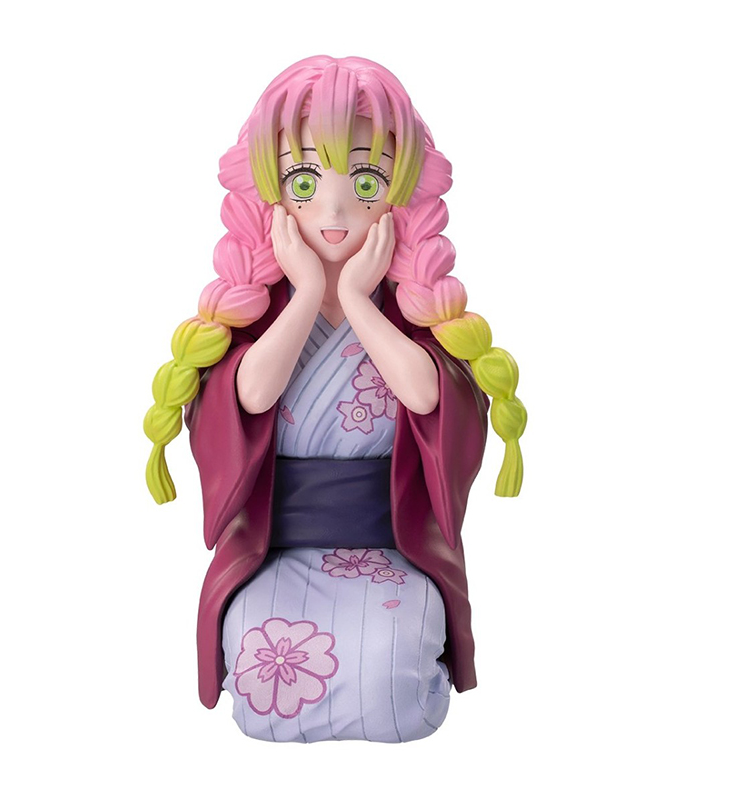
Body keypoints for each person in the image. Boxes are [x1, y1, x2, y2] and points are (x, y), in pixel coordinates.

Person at [144, 56, 526, 742]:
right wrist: (308, 296)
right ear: (272, 193)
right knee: (263, 660)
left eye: (366, 181)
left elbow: (427, 396)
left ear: (400, 194)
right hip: (275, 548)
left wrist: (356, 299)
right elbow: (249, 396)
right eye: (304, 182)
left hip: (394, 546)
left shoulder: (412, 309)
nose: (335, 210)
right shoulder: (257, 311)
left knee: (391, 666)